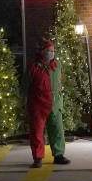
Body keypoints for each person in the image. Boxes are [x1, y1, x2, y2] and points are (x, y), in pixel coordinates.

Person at [26, 38, 70, 167]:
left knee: (57, 130)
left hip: (55, 104)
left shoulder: (58, 65)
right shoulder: (33, 67)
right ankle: (38, 157)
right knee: (37, 132)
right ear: (43, 51)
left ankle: (59, 155)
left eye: (53, 50)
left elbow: (60, 82)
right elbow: (25, 85)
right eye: (49, 50)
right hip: (38, 105)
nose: (52, 53)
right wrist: (24, 102)